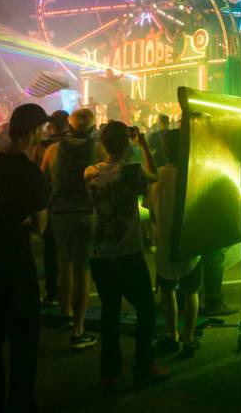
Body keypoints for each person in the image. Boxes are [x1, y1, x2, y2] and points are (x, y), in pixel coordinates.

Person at [0, 104, 49, 413]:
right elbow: (40, 225)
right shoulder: (30, 172)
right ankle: (20, 402)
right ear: (34, 131)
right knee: (24, 339)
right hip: (14, 262)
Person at [85, 121, 169, 390]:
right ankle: (143, 367)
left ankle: (109, 373)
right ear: (127, 143)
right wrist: (143, 144)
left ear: (103, 144)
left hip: (100, 254)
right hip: (128, 254)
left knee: (109, 314)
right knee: (145, 309)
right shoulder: (132, 172)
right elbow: (154, 176)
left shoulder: (89, 172)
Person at [39, 107, 101, 350]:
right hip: (86, 213)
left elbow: (43, 178)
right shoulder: (98, 150)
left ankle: (65, 314)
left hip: (59, 214)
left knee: (63, 263)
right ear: (93, 127)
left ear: (70, 125)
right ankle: (79, 328)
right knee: (82, 270)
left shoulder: (53, 150)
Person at [148, 129, 201, 359]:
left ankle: (172, 335)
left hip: (165, 242)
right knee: (191, 291)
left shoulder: (158, 177)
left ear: (166, 150)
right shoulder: (194, 173)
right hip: (190, 241)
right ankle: (189, 337)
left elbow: (151, 212)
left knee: (167, 289)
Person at [33, 110, 69, 309]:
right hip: (76, 206)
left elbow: (38, 174)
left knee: (52, 251)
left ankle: (53, 293)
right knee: (72, 253)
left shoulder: (45, 147)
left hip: (52, 204)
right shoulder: (83, 145)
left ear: (51, 126)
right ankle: (69, 295)